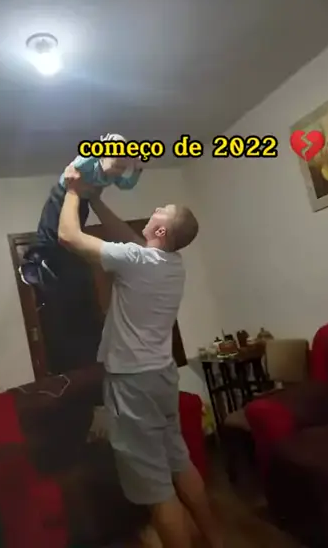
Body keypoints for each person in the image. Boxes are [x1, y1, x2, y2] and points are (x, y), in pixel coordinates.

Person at [57, 163, 223, 548]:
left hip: (133, 384)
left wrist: (74, 191)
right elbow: (129, 237)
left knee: (155, 491)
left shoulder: (137, 261)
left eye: (161, 211)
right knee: (179, 462)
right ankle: (217, 540)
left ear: (161, 231)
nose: (155, 211)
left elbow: (68, 236)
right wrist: (98, 200)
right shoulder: (171, 264)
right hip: (161, 377)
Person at [19, 132, 142, 290]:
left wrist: (137, 170)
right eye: (116, 164)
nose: (118, 171)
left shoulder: (113, 175)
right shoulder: (90, 163)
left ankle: (50, 267)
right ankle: (34, 259)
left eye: (122, 168)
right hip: (62, 194)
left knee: (73, 233)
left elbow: (127, 185)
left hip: (82, 200)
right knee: (51, 225)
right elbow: (75, 167)